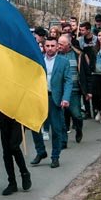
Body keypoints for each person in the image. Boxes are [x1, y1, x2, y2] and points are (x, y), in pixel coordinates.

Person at [30, 37, 74, 169]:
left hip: (55, 98)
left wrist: (65, 98)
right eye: (47, 46)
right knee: (34, 126)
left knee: (56, 129)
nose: (50, 48)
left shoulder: (63, 62)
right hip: (40, 97)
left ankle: (55, 156)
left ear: (57, 47)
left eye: (52, 46)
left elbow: (68, 81)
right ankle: (40, 151)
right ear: (44, 47)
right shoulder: (38, 60)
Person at [0, 107, 31, 196]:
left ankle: (24, 172)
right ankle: (12, 182)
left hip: (17, 118)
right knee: (6, 152)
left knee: (14, 146)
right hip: (3, 116)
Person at [57, 34, 85, 141]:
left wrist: (88, 90)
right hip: (60, 90)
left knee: (77, 115)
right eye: (58, 43)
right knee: (62, 117)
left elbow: (85, 72)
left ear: (68, 45)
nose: (59, 46)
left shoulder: (77, 55)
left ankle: (79, 129)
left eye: (61, 44)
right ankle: (63, 140)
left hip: (74, 90)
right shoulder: (56, 55)